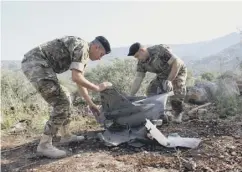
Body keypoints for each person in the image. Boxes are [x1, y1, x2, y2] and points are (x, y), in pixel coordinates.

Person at [21, 35, 112, 158]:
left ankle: (66, 135)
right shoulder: (82, 48)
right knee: (61, 103)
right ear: (96, 47)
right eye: (101, 54)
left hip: (39, 64)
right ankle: (44, 145)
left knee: (67, 97)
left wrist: (91, 104)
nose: (100, 58)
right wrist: (97, 88)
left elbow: (79, 81)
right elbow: (76, 77)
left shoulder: (83, 51)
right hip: (36, 64)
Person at [127, 42, 187, 123]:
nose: (137, 58)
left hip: (177, 70)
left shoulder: (159, 50)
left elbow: (176, 62)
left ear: (142, 50)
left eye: (137, 56)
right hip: (163, 74)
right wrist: (130, 96)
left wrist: (169, 80)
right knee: (151, 90)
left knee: (176, 88)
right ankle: (159, 113)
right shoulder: (141, 62)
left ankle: (177, 113)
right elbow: (138, 78)